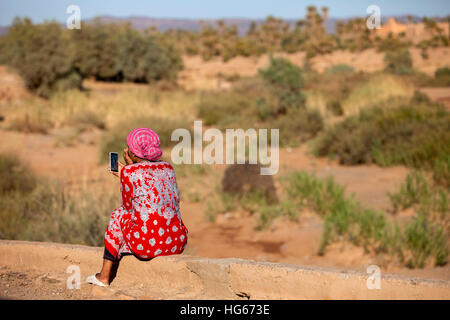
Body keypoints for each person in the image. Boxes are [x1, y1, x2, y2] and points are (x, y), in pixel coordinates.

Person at [86, 128, 188, 287]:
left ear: (135, 153)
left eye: (129, 148)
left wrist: (127, 174)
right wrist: (129, 172)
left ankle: (104, 275)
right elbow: (151, 189)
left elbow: (129, 208)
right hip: (176, 242)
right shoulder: (168, 168)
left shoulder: (130, 173)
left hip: (147, 246)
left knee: (118, 214)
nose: (126, 150)